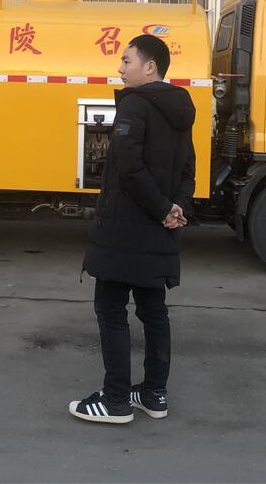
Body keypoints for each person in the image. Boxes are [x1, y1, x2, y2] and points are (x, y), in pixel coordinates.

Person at [69, 34, 195, 424]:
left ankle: (116, 400)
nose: (120, 69)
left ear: (149, 66)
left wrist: (162, 209)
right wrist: (175, 208)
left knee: (110, 309)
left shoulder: (135, 105)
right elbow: (188, 170)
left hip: (124, 231)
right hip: (158, 231)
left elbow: (128, 166)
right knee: (153, 311)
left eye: (126, 61)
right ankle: (154, 394)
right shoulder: (180, 108)